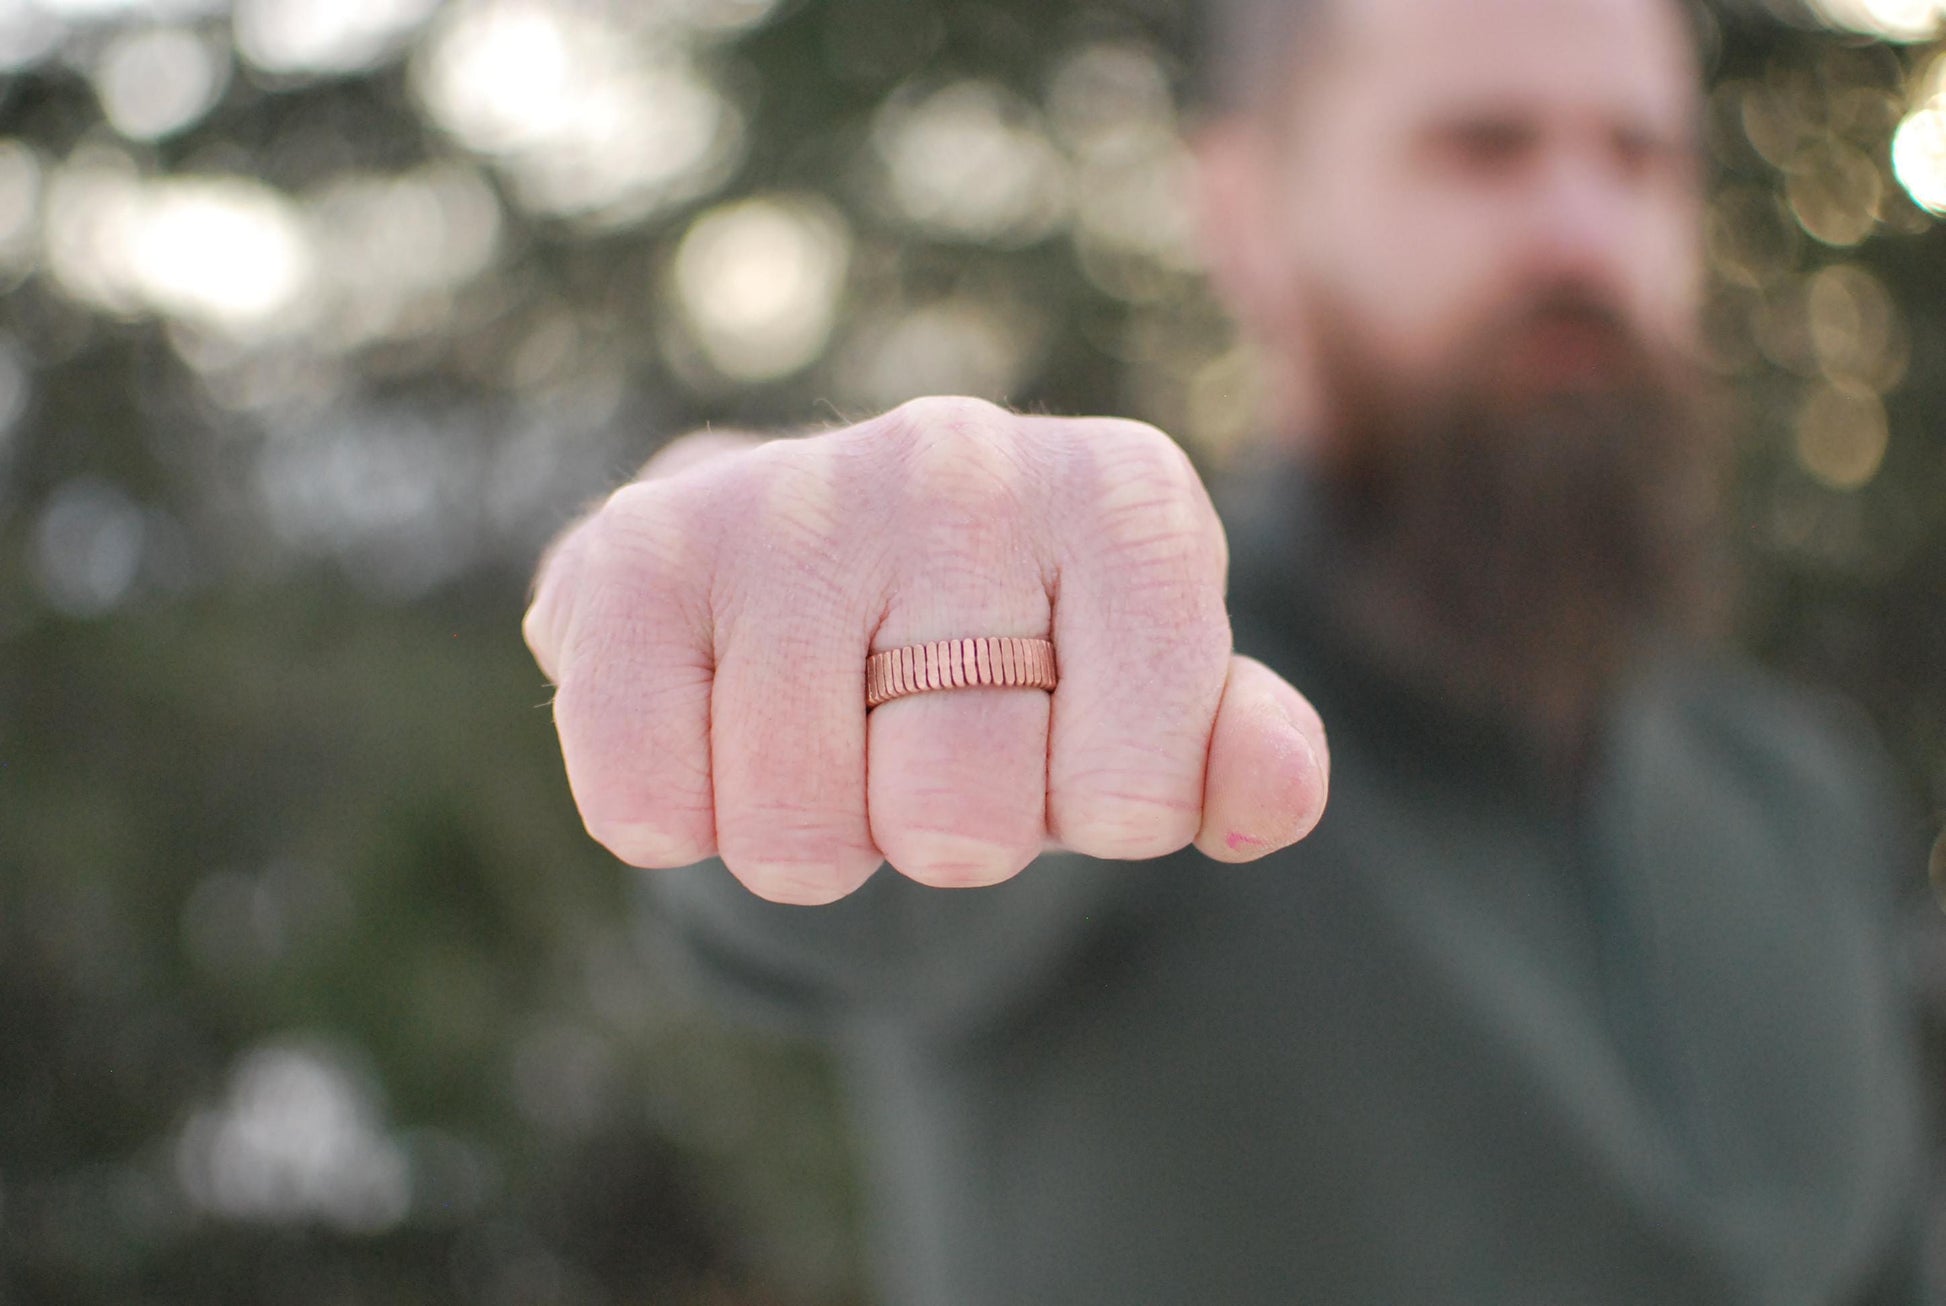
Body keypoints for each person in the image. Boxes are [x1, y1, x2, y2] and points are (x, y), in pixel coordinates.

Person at [522, 0, 1935, 1300]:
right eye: (1478, 149)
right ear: (1247, 212)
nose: (1578, 230)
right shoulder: (1124, 703)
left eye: (1637, 158)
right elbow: (838, 876)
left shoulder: (1795, 796)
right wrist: (759, 567)